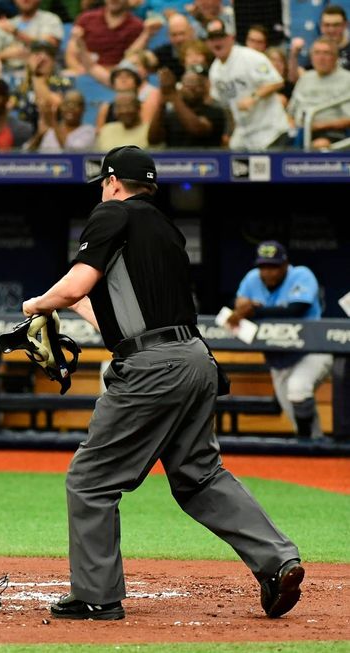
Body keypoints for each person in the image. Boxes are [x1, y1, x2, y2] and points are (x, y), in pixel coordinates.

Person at [20, 145, 304, 621]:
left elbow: (75, 285)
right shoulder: (167, 231)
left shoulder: (111, 214)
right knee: (199, 475)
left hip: (154, 368)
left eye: (104, 186)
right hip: (194, 359)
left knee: (90, 481)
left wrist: (38, 304)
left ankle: (97, 596)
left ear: (112, 182)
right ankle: (277, 560)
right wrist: (66, 305)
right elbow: (119, 316)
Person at [227, 241, 332, 439]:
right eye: (263, 266)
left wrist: (253, 310)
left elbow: (296, 309)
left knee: (298, 389)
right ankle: (315, 453)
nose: (267, 272)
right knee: (298, 418)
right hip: (279, 359)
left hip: (312, 350)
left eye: (273, 266)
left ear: (285, 265)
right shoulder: (252, 279)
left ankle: (312, 449)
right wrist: (240, 307)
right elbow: (238, 304)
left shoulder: (300, 274)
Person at [206, 19, 290, 151]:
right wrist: (228, 132)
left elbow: (276, 81)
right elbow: (226, 106)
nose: (217, 42)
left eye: (221, 37)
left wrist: (254, 96)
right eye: (212, 39)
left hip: (270, 130)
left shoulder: (250, 57)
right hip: (244, 134)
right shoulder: (214, 71)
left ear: (231, 38)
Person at [287, 38, 350, 150]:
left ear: (335, 57)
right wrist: (292, 125)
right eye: (317, 53)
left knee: (319, 145)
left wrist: (320, 125)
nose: (321, 58)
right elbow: (290, 112)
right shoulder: (306, 78)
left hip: (332, 131)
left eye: (326, 53)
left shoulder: (347, 79)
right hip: (300, 130)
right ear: (311, 57)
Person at [147, 65, 227, 148]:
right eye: (187, 84)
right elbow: (153, 140)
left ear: (204, 89)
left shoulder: (216, 113)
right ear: (181, 88)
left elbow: (198, 129)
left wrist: (173, 96)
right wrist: (162, 102)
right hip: (174, 160)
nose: (191, 88)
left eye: (196, 84)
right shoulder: (171, 115)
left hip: (205, 160)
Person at [0, 0, 65, 75]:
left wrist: (16, 32)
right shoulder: (5, 25)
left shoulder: (50, 19)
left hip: (42, 75)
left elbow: (48, 46)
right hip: (9, 76)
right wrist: (5, 55)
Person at [66, 0, 143, 71]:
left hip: (117, 76)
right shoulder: (86, 18)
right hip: (83, 72)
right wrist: (81, 71)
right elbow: (71, 54)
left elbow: (133, 58)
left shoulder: (137, 26)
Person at [28, 89, 96, 152]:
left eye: (75, 104)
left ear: (83, 108)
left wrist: (53, 122)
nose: (70, 107)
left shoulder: (88, 131)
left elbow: (72, 152)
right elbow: (24, 152)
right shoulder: (50, 130)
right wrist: (39, 135)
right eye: (66, 103)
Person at [150, 12, 194, 79]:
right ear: (168, 35)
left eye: (182, 33)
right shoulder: (161, 53)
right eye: (174, 35)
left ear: (191, 31)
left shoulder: (204, 49)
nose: (179, 39)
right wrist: (146, 34)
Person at [319, 4, 350, 70]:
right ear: (321, 26)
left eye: (336, 25)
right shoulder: (315, 50)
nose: (331, 30)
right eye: (327, 25)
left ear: (345, 25)